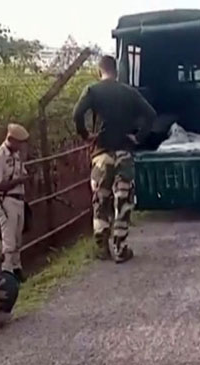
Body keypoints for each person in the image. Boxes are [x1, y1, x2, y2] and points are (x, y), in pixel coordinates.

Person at [73, 55, 156, 263]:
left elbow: (77, 113)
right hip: (124, 154)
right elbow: (151, 114)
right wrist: (138, 137)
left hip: (101, 155)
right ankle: (120, 247)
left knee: (101, 198)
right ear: (116, 71)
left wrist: (86, 135)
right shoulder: (128, 92)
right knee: (123, 199)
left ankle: (102, 247)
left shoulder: (92, 90)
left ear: (99, 70)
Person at [0, 123, 31, 282]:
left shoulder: (16, 156)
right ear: (10, 139)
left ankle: (17, 268)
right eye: (18, 142)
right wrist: (18, 181)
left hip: (19, 200)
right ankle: (7, 273)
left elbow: (22, 172)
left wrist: (23, 179)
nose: (20, 146)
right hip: (6, 201)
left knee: (18, 238)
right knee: (9, 240)